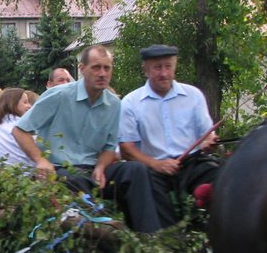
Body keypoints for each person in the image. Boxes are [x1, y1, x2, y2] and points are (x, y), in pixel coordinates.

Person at [13, 44, 162, 234]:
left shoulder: (114, 104)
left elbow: (109, 147)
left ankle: (147, 237)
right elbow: (20, 130)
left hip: (93, 171)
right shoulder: (59, 95)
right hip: (60, 171)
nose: (102, 74)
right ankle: (103, 235)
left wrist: (101, 166)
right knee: (74, 180)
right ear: (82, 69)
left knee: (136, 170)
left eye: (107, 68)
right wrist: (40, 160)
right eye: (96, 67)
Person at [119, 44, 220, 228]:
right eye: (157, 68)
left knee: (222, 179)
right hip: (152, 167)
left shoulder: (193, 95)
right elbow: (126, 148)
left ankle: (214, 232)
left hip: (192, 163)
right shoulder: (131, 103)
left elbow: (206, 133)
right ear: (145, 70)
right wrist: (156, 164)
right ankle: (167, 239)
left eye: (168, 66)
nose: (164, 73)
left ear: (175, 66)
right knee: (147, 191)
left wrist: (208, 141)